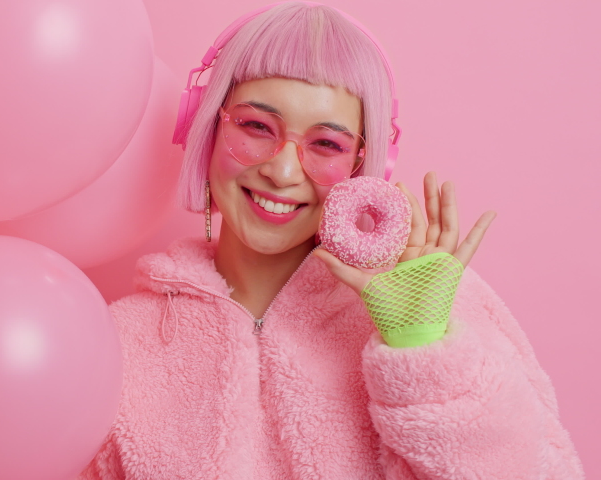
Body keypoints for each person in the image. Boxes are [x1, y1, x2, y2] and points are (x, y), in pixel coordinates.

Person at [77, 3, 584, 478]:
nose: (280, 170)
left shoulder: (436, 305)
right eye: (256, 126)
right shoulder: (119, 341)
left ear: (366, 167)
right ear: (206, 127)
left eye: (325, 143)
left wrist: (421, 347)